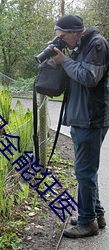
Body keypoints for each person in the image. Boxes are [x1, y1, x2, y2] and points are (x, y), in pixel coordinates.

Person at [51, 15, 109, 238]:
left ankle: (87, 222)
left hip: (91, 118)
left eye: (63, 37)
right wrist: (61, 60)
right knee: (86, 171)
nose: (62, 41)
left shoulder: (97, 44)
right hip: (82, 117)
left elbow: (88, 77)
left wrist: (64, 61)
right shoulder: (80, 46)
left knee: (84, 171)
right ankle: (96, 214)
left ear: (75, 32)